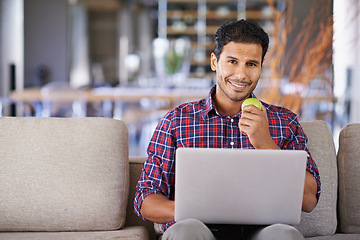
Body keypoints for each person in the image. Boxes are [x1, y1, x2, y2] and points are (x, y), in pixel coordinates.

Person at [134, 19, 321, 240]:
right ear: (214, 61)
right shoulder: (176, 121)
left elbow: (309, 200)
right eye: (232, 61)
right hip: (197, 230)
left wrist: (265, 143)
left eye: (251, 64)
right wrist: (192, 210)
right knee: (186, 231)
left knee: (285, 235)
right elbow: (145, 199)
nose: (241, 75)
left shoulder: (285, 122)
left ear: (261, 66)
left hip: (261, 233)